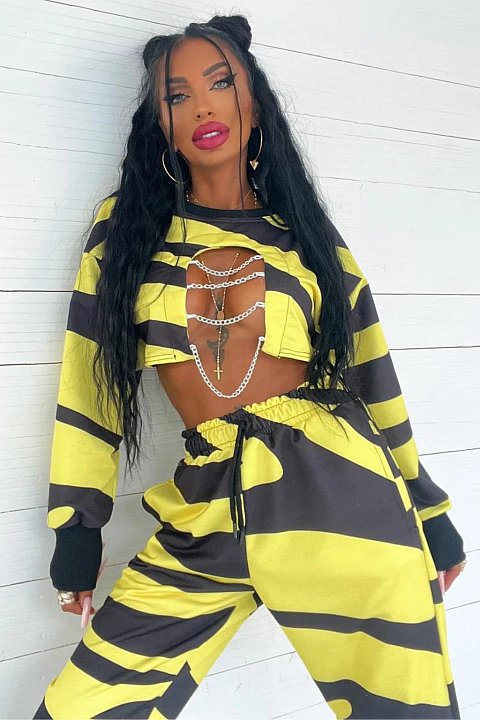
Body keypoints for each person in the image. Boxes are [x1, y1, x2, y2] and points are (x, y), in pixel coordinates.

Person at [33, 14, 466, 720]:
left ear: (254, 105)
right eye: (177, 96)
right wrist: (76, 530)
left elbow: (372, 373)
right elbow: (89, 386)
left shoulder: (307, 238)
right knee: (80, 710)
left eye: (221, 84)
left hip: (337, 490)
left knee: (405, 711)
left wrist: (430, 509)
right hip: (204, 505)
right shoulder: (125, 234)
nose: (202, 108)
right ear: (160, 126)